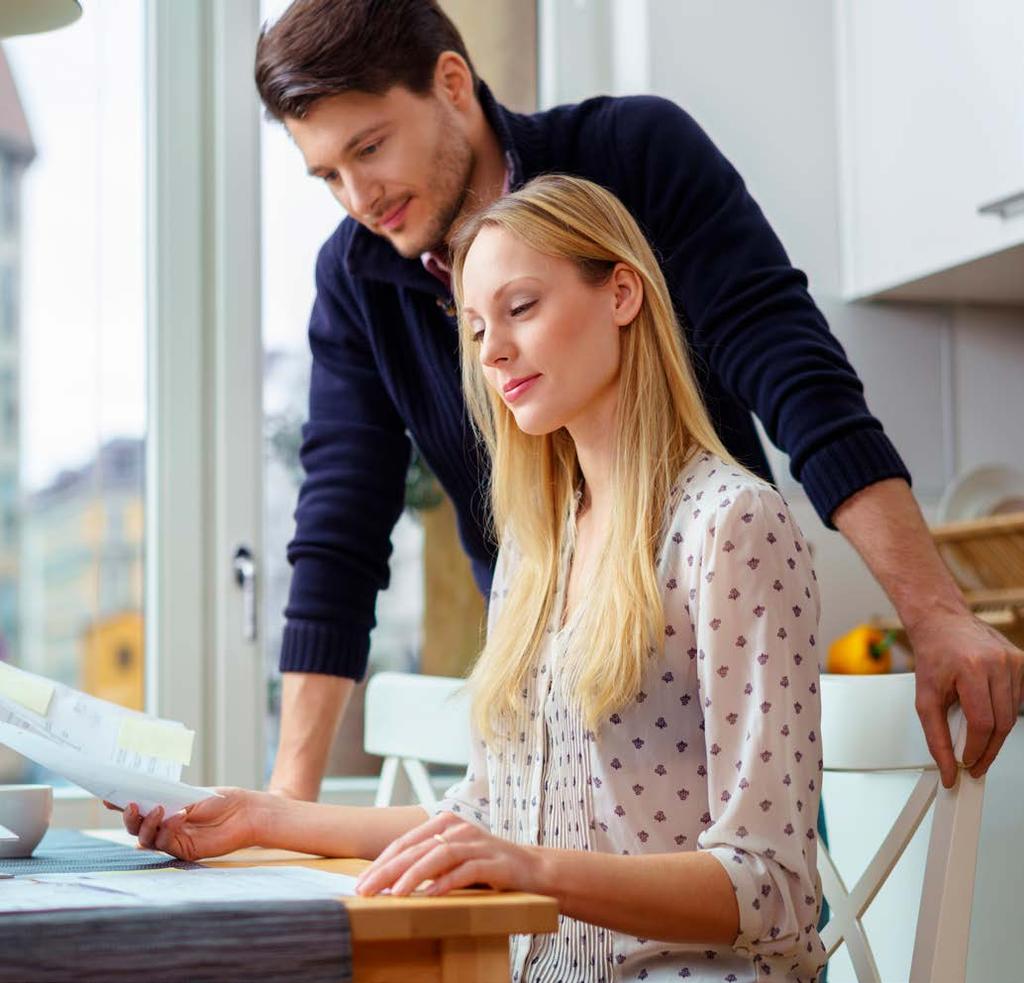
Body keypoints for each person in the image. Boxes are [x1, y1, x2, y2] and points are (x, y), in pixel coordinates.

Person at [258, 0, 1022, 803]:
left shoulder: (634, 154)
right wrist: (286, 797)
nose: (357, 198)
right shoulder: (355, 280)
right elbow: (339, 534)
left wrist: (935, 612)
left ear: (451, 83)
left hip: (717, 697)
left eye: (369, 149)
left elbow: (797, 374)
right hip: (546, 723)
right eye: (327, 175)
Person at [123, 174, 829, 983]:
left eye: (521, 307)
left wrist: (531, 869)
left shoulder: (731, 525)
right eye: (476, 326)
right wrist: (263, 817)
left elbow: (772, 885)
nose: (491, 351)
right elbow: (490, 816)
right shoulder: (537, 546)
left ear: (622, 293)